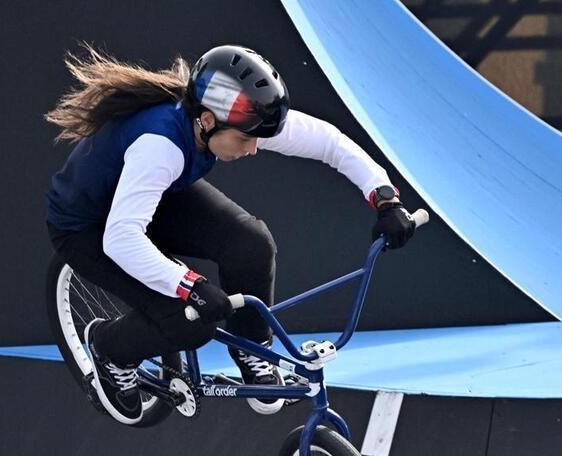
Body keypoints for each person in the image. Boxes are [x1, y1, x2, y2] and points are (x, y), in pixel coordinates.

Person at [44, 44, 416, 425]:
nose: (254, 149)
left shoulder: (236, 118)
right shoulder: (160, 146)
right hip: (89, 227)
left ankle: (252, 348)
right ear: (206, 120)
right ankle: (110, 349)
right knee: (189, 319)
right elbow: (121, 238)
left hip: (152, 196)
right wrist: (190, 285)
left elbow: (330, 143)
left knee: (252, 243)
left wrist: (384, 198)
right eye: (245, 140)